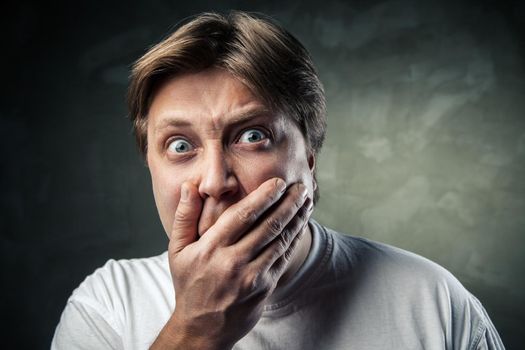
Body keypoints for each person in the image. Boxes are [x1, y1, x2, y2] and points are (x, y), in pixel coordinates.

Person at [51, 11, 505, 350]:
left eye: (253, 136)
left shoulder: (432, 302)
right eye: (180, 146)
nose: (214, 181)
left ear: (309, 158)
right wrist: (195, 330)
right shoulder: (108, 307)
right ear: (150, 165)